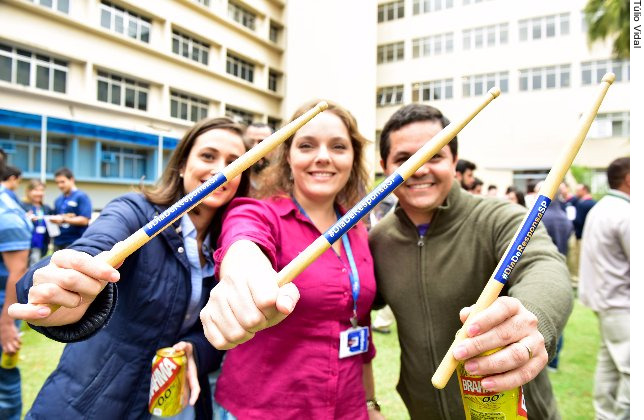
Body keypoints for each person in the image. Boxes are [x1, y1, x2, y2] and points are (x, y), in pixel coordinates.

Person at [9, 117, 251, 419]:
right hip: (88, 402)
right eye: (208, 156)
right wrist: (60, 281)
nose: (220, 170)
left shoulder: (234, 243)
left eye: (234, 161)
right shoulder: (136, 211)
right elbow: (95, 245)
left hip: (172, 404)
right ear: (181, 165)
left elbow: (215, 326)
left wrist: (196, 349)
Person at [368, 104, 572, 419]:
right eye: (404, 158)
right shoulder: (378, 239)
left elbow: (544, 267)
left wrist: (532, 318)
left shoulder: (501, 218)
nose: (419, 169)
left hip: (512, 412)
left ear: (454, 162)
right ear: (384, 166)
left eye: (434, 156)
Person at [200, 100, 385, 419]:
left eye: (338, 146)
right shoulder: (258, 212)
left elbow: (360, 326)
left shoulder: (358, 229)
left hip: (349, 408)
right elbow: (243, 240)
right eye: (307, 145)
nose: (323, 157)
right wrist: (242, 275)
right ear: (288, 156)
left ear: (353, 157)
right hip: (264, 411)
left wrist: (369, 404)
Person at [578, 157, 630, 419]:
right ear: (629, 178)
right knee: (631, 370)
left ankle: (605, 415)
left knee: (609, 365)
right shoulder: (626, 213)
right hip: (622, 302)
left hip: (604, 298)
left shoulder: (601, 208)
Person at [0, 165, 32, 420]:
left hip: (3, 308)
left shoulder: (5, 211)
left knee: (4, 379)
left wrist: (7, 323)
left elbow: (18, 269)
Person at [49, 168, 92, 250]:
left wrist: (63, 219)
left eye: (62, 182)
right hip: (58, 241)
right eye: (57, 183)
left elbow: (85, 220)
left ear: (71, 180)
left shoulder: (81, 196)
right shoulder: (58, 200)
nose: (60, 185)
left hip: (75, 242)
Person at [21, 180, 54, 266]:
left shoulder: (46, 208)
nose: (39, 193)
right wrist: (26, 219)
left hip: (42, 243)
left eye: (41, 190)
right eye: (36, 190)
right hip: (27, 244)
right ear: (28, 191)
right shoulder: (22, 206)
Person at [244, 122, 275, 194]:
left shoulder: (284, 184)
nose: (255, 148)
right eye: (250, 142)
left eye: (262, 142)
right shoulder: (234, 183)